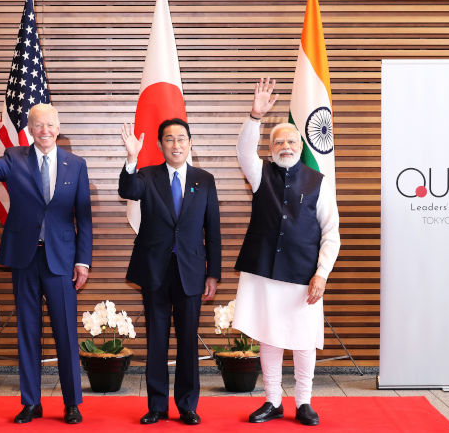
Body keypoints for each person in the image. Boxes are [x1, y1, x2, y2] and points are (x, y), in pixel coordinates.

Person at [0, 104, 92, 424]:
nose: (46, 131)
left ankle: (72, 403)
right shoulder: (14, 159)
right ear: (30, 129)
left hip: (61, 260)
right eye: (39, 125)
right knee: (28, 331)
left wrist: (83, 260)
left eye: (51, 124)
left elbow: (85, 219)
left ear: (58, 126)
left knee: (65, 333)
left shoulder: (75, 165)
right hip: (25, 258)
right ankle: (30, 402)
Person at [232, 78, 340, 426]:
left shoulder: (318, 180)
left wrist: (322, 274)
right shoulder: (259, 172)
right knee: (270, 336)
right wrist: (254, 115)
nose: (285, 145)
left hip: (303, 274)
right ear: (271, 146)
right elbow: (243, 151)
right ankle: (273, 401)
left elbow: (331, 233)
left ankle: (304, 402)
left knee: (304, 340)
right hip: (264, 271)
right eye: (278, 141)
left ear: (300, 144)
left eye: (291, 140)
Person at [118, 118, 221, 426]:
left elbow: (212, 229)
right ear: (161, 145)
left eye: (181, 139)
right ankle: (157, 406)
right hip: (155, 272)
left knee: (188, 341)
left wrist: (212, 273)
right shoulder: (147, 176)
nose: (176, 144)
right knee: (157, 341)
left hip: (191, 272)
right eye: (169, 139)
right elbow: (127, 188)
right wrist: (131, 158)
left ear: (190, 143)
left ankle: (187, 405)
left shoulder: (205, 180)